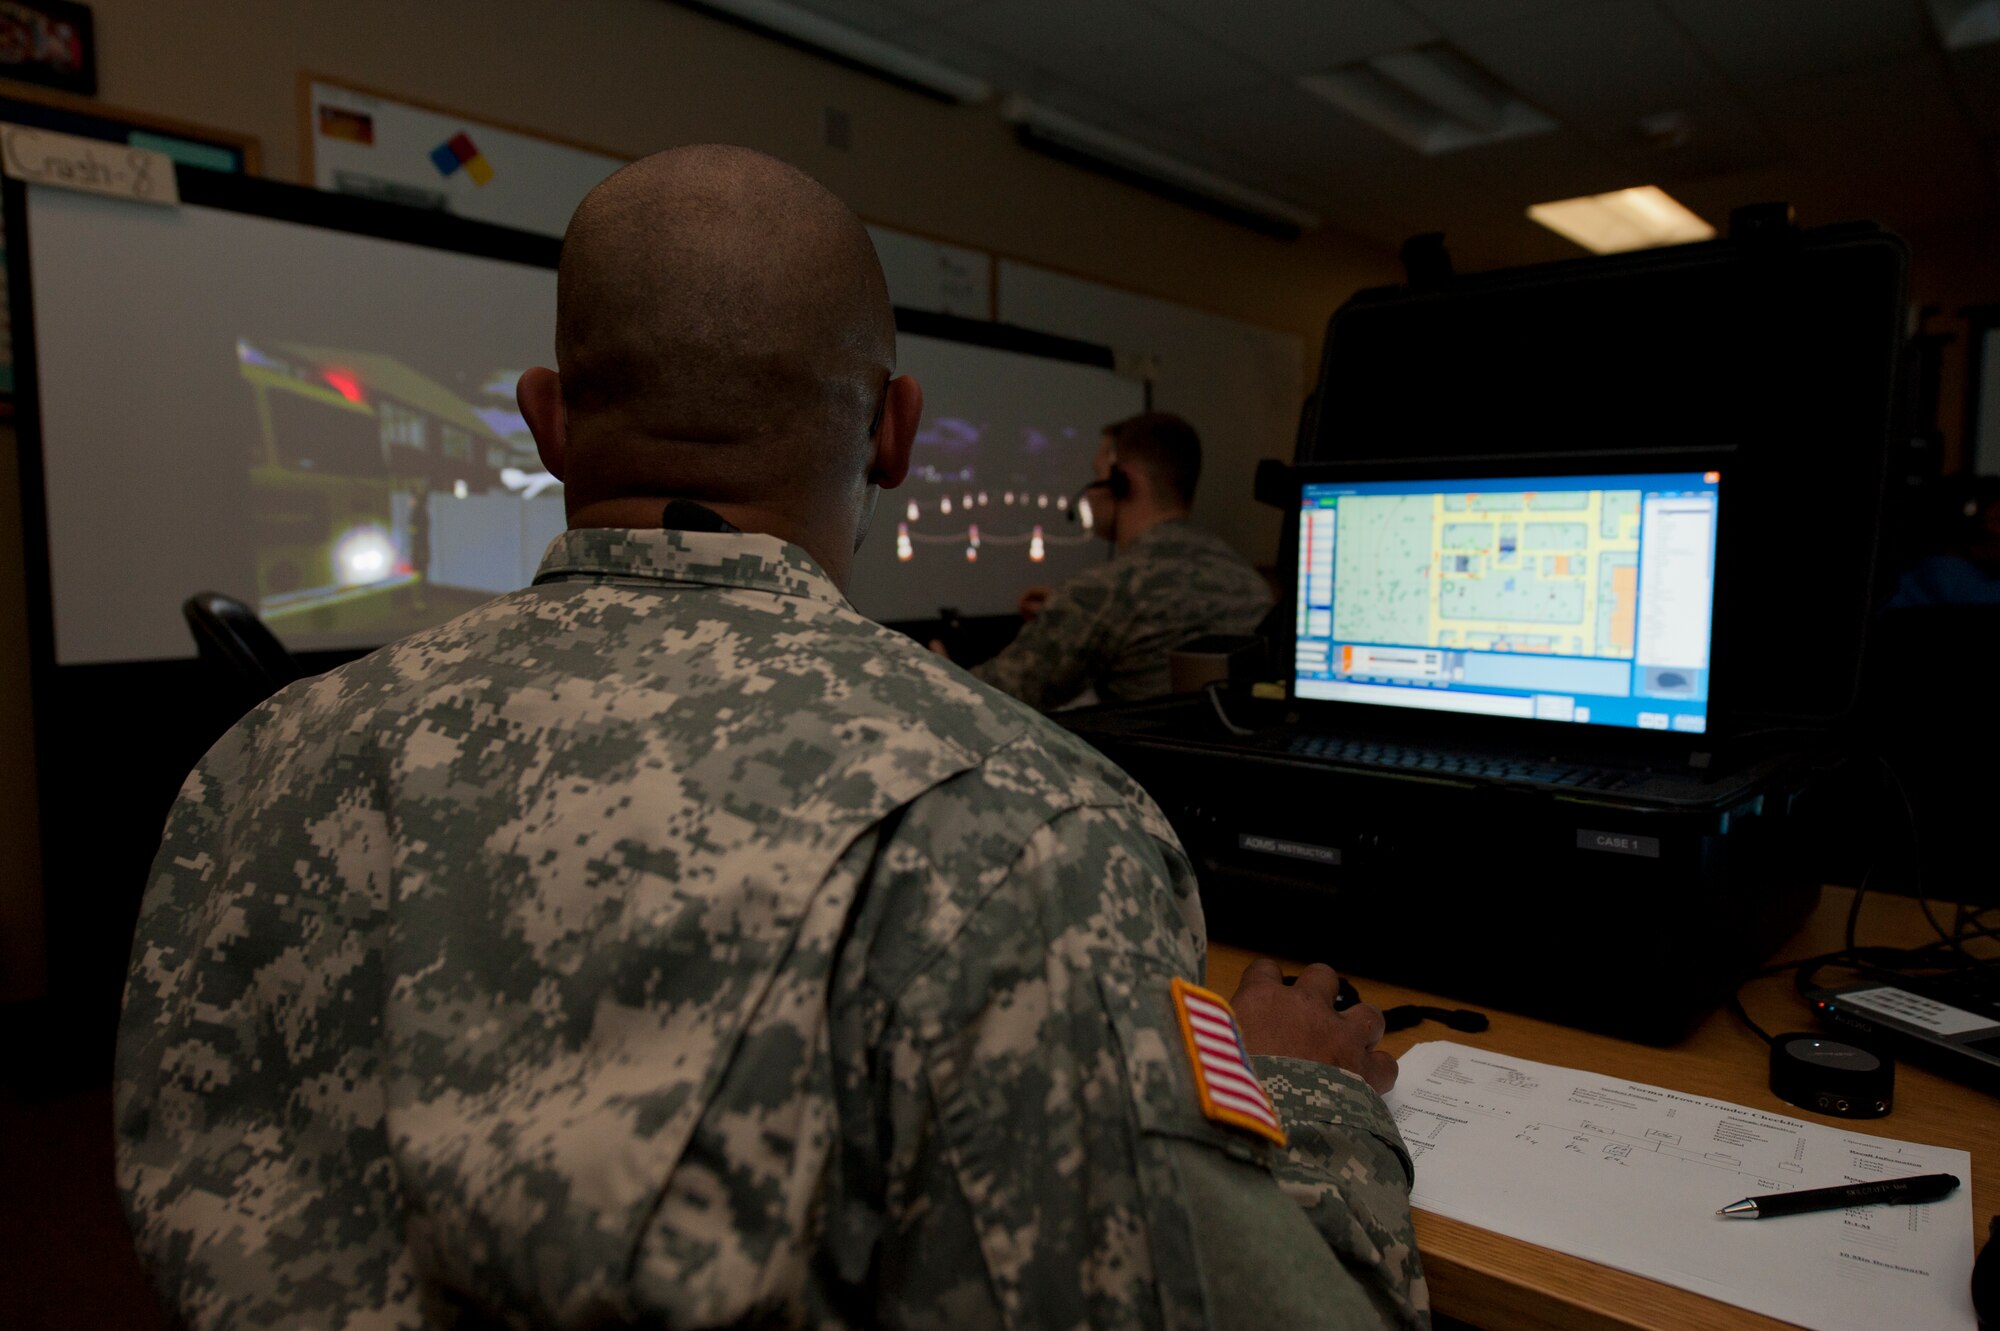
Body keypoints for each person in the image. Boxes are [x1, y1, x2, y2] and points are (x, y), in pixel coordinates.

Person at [115, 146, 1424, 1330]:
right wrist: (1304, 1101)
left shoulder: (255, 761)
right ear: (897, 430)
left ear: (547, 418)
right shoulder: (1030, 828)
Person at [958, 412, 1274, 709]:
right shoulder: (1251, 585)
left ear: (1124, 482)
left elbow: (988, 699)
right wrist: (1069, 613)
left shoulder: (1104, 593)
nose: (1090, 495)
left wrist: (937, 666)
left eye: (1096, 477)